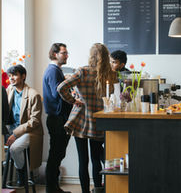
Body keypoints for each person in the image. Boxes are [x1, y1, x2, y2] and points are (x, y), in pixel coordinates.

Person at [57, 43, 117, 193]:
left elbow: (61, 88)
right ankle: (97, 189)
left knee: (83, 161)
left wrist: (73, 100)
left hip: (81, 121)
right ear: (106, 56)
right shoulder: (110, 74)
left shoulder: (82, 71)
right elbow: (114, 97)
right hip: (99, 121)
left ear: (91, 55)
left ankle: (84, 191)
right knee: (96, 158)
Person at [6, 64, 43, 187]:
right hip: (12, 130)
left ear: (23, 76)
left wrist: (15, 134)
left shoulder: (33, 94)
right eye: (10, 75)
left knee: (14, 148)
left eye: (15, 75)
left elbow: (34, 121)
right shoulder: (9, 90)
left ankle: (22, 176)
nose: (11, 78)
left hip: (30, 132)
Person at [43, 43, 72, 193]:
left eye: (66, 53)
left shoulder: (55, 70)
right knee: (56, 155)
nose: (67, 55)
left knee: (58, 154)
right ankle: (51, 189)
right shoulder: (53, 71)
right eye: (64, 53)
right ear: (55, 54)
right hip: (57, 119)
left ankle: (54, 188)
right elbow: (58, 93)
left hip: (57, 118)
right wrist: (68, 84)